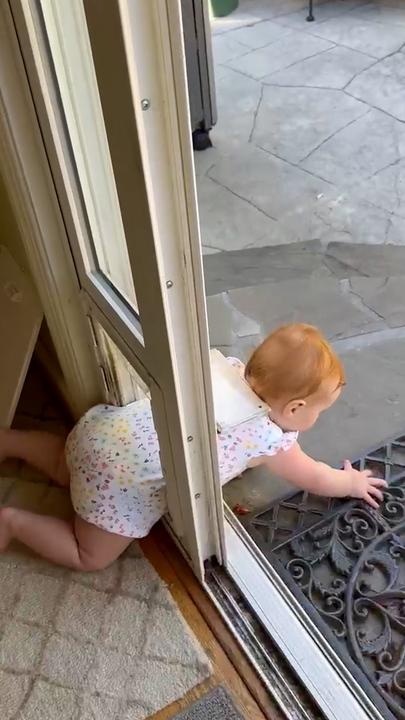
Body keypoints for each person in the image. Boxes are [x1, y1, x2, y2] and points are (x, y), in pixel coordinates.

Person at [0, 323, 385, 571]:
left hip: (99, 434)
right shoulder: (268, 437)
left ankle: (10, 441)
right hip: (119, 484)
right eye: (319, 411)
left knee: (63, 461)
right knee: (91, 555)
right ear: (295, 408)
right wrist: (350, 483)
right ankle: (13, 522)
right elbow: (316, 476)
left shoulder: (224, 369)